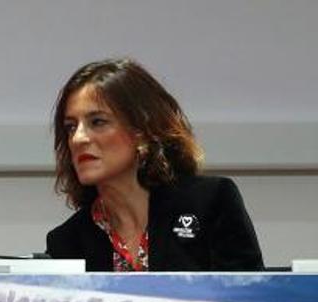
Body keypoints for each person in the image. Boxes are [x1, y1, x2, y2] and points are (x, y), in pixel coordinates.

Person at [44, 58, 265, 272]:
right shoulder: (66, 241)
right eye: (71, 127)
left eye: (98, 122)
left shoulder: (210, 203)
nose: (78, 138)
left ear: (142, 132)